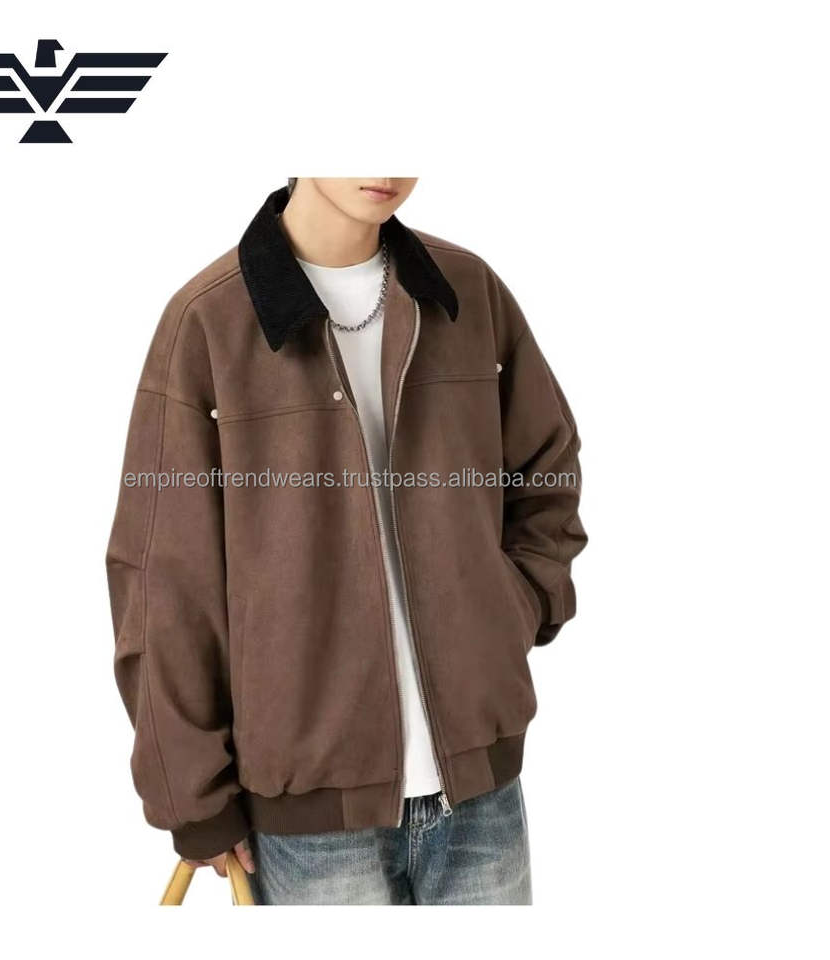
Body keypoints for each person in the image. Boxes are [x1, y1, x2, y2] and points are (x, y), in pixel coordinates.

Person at [106, 178, 587, 904]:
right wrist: (193, 795)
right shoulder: (208, 322)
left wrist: (510, 609)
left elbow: (546, 470)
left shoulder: (467, 291)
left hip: (481, 795)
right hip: (312, 822)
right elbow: (162, 578)